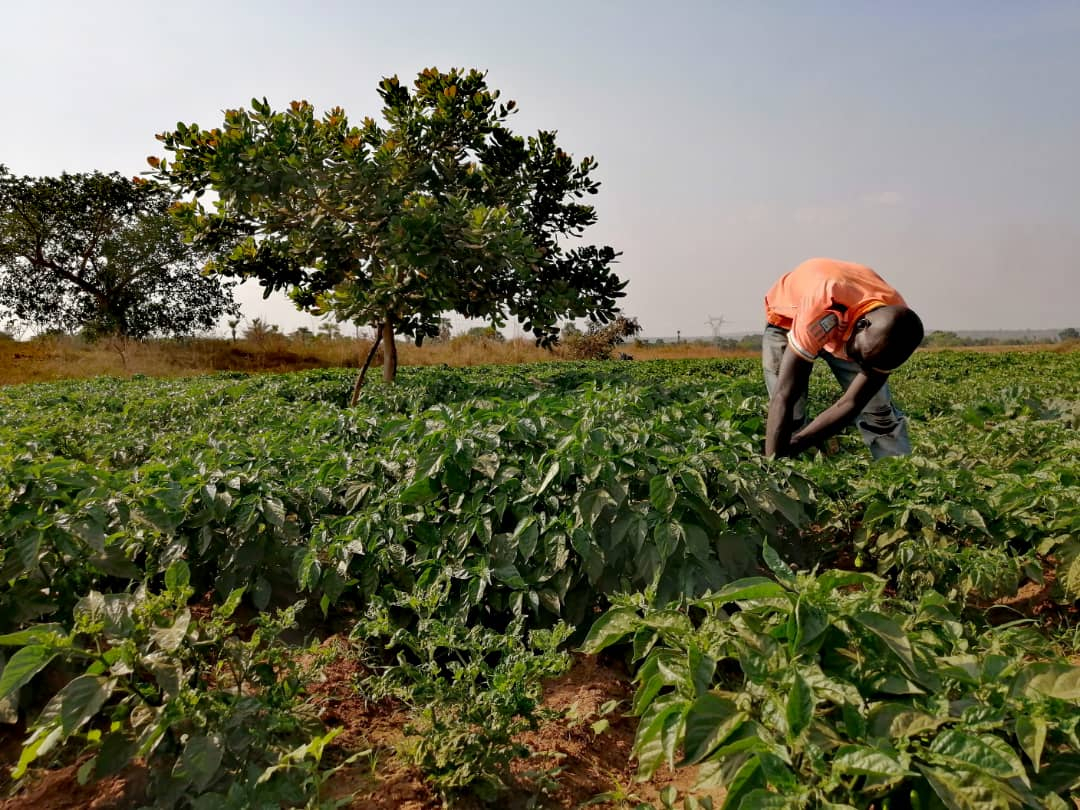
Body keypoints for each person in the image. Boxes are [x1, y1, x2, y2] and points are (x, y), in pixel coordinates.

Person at [762, 257, 923, 459]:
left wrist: (797, 444)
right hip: (788, 319)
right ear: (861, 325)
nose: (854, 363)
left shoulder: (896, 331)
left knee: (879, 414)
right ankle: (791, 481)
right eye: (857, 357)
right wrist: (774, 460)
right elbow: (783, 395)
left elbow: (851, 403)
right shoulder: (822, 304)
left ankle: (900, 479)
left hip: (849, 327)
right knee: (790, 414)